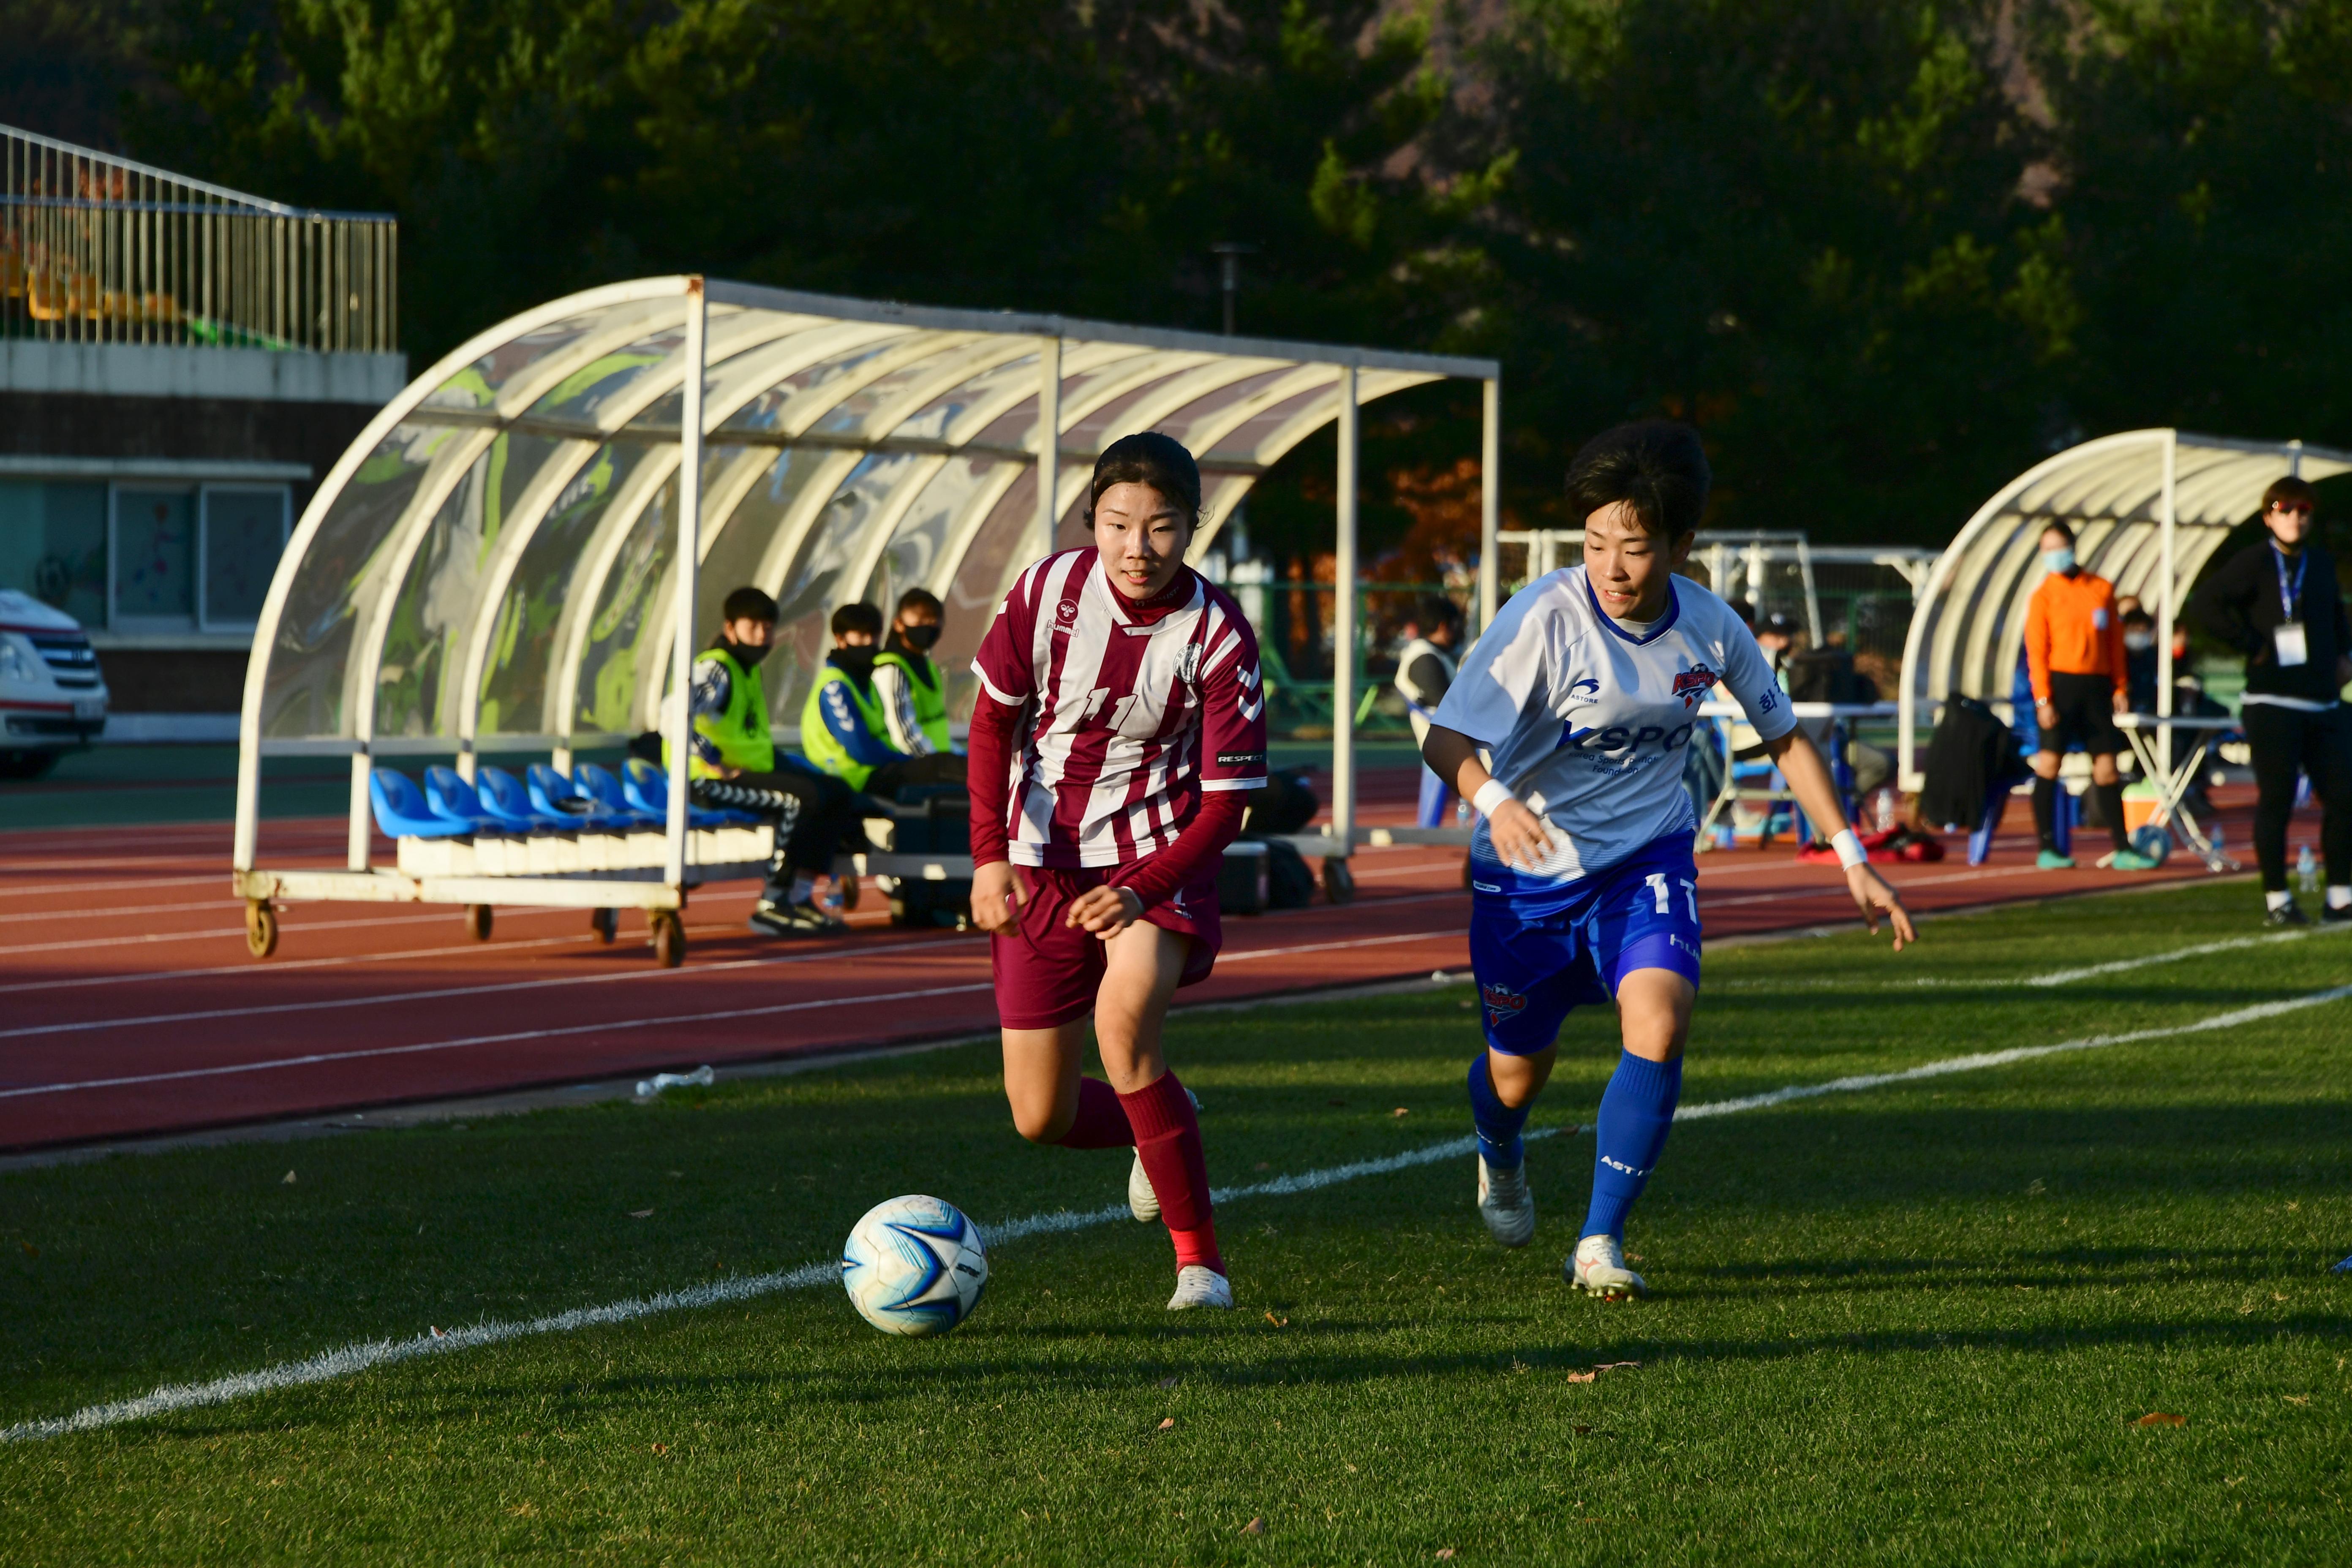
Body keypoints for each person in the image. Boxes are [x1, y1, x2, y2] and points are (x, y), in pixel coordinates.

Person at [1420, 420, 1916, 1301]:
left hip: (1646, 859)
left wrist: (1853, 856)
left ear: (1683, 546)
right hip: (1527, 877)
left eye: (1636, 547)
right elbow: (1447, 736)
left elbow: (1786, 738)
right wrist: (1493, 803)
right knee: (1515, 1071)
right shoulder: (1542, 614)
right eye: (1596, 542)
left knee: (1660, 1019)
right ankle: (1499, 1149)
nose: (1611, 565)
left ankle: (1599, 1238)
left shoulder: (1711, 626)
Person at [965, 431, 1267, 1312]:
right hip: (1039, 867)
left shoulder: (1217, 635)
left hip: (1155, 862)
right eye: (1118, 523)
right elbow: (991, 726)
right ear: (1092, 519)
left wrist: (1143, 886)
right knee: (1039, 1115)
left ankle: (1199, 1267)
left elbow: (1224, 806)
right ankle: (1163, 1123)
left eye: (1163, 526)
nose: (1139, 547)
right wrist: (989, 854)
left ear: (1193, 526)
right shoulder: (1045, 590)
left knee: (1124, 1024)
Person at [2188, 476, 2352, 925]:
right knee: (2276, 800)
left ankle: (2341, 897)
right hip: (2272, 701)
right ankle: (2278, 899)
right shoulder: (2254, 561)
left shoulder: (2318, 563)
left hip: (2322, 703)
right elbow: (2206, 605)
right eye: (2285, 509)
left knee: (2344, 797)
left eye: (2303, 510)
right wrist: (2250, 643)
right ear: (2269, 516)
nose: (2295, 517)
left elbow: (2337, 615)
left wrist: (2345, 656)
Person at [676, 586, 859, 937]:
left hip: (751, 774)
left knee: (835, 792)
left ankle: (799, 897)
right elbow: (673, 715)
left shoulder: (748, 670)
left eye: (769, 627)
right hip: (708, 781)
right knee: (799, 799)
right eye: (753, 626)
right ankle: (772, 903)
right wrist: (713, 759)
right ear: (730, 629)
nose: (763, 635)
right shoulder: (716, 669)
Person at [2022, 522, 2161, 871]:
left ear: (2073, 547)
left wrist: (2120, 686)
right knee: (2050, 764)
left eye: (2060, 547)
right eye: (2047, 549)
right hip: (2061, 687)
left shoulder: (2100, 590)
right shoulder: (2043, 597)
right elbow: (2036, 652)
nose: (2054, 555)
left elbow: (2115, 644)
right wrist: (2043, 699)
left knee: (2107, 769)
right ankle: (2048, 847)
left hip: (2096, 688)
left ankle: (2123, 848)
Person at [802, 602, 967, 798]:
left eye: (874, 635)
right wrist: (903, 761)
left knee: (947, 770)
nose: (870, 642)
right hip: (852, 778)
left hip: (874, 770)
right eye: (861, 636)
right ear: (840, 639)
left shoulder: (863, 681)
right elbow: (860, 750)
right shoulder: (835, 686)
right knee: (941, 767)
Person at [1393, 594, 1464, 828]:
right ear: (1444, 626)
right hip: (1441, 736)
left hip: (1447, 735)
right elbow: (1443, 702)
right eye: (1456, 626)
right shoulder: (1424, 657)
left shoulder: (1436, 655)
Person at [874, 588, 960, 757]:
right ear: (899, 624)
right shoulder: (891, 668)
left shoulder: (928, 665)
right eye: (921, 620)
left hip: (937, 760)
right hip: (916, 766)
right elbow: (901, 734)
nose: (929, 626)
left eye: (935, 621)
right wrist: (939, 764)